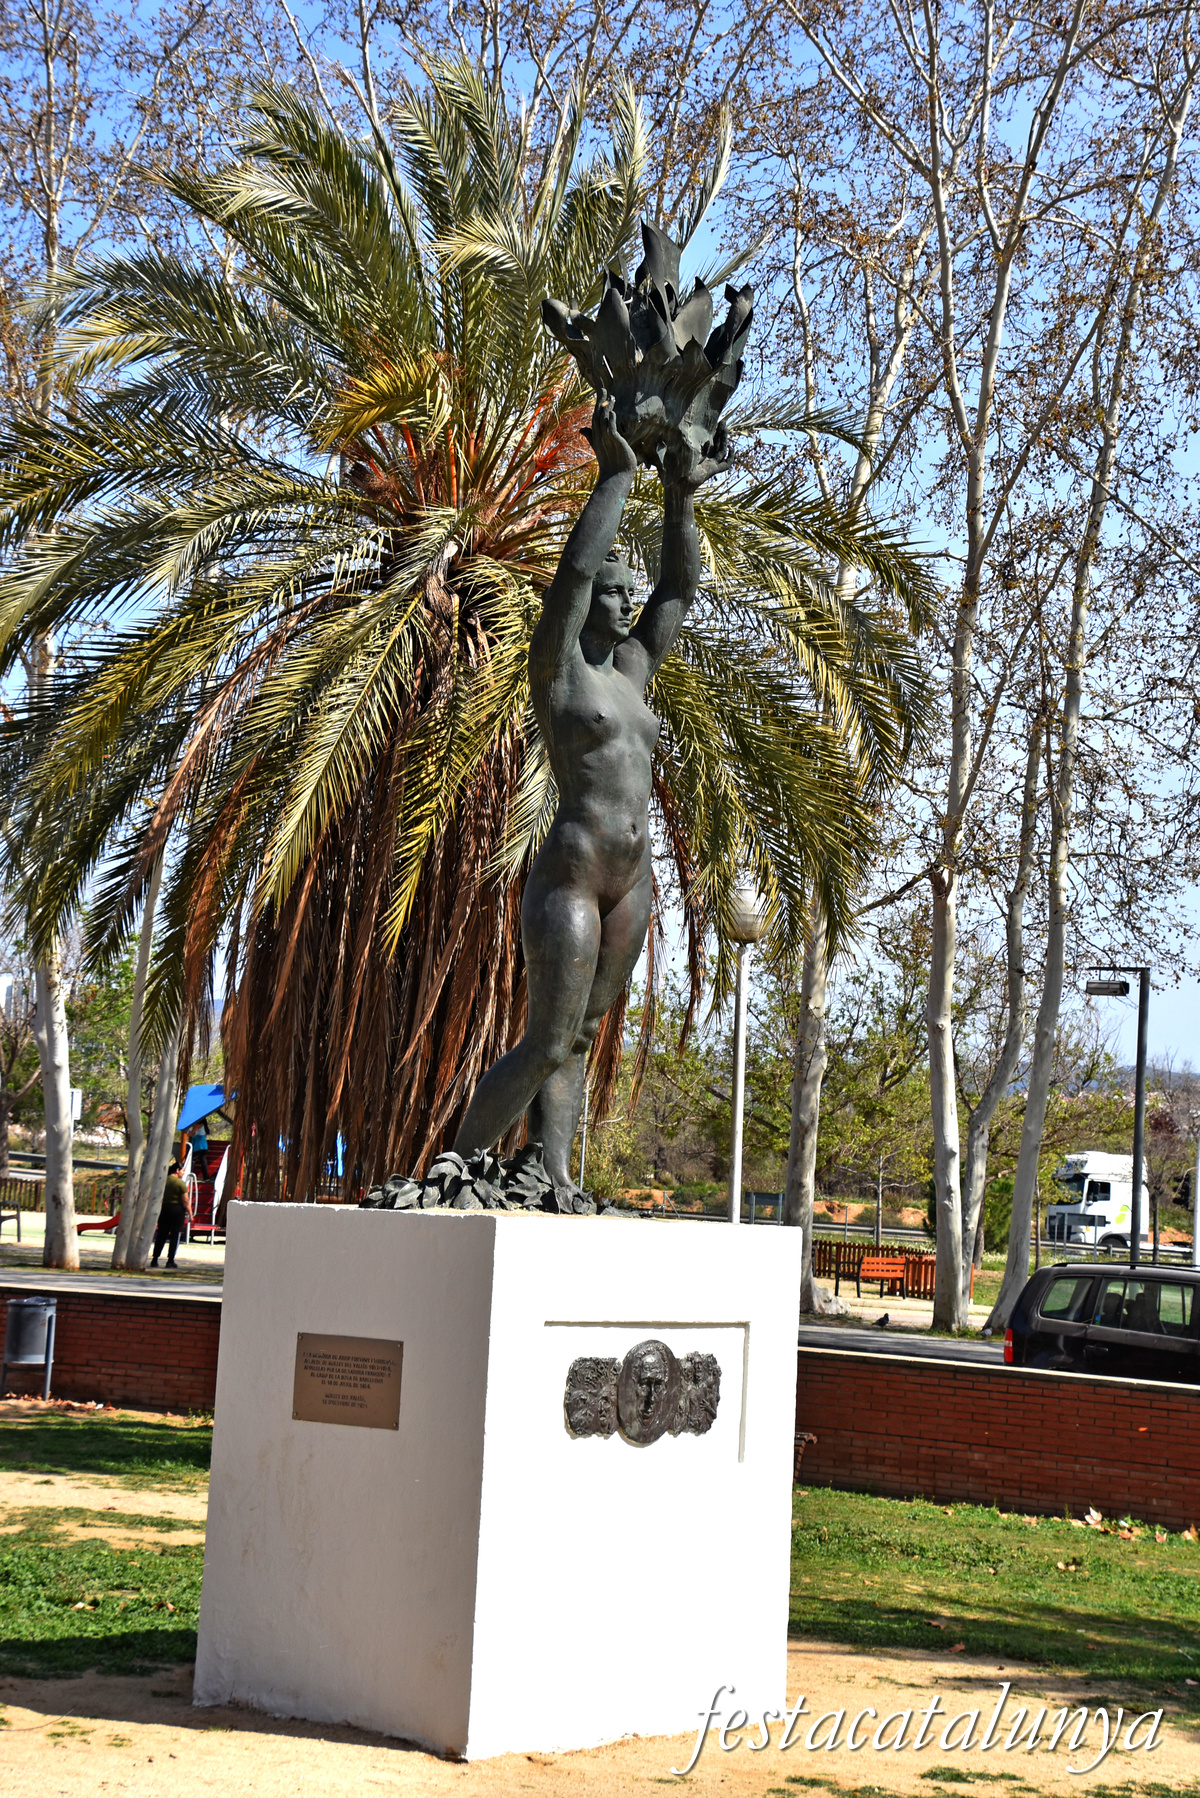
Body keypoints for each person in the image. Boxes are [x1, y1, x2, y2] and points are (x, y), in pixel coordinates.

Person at [454, 394, 723, 1195]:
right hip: (572, 873)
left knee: (582, 1037)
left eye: (624, 592)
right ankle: (456, 1164)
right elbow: (573, 574)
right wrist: (616, 474)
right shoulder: (561, 670)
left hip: (631, 881)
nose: (625, 600)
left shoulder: (633, 674)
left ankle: (554, 1174)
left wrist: (682, 490)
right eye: (615, 591)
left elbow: (678, 588)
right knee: (547, 1037)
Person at [151, 1158, 189, 1270]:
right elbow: (185, 1200)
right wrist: (190, 1213)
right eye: (182, 1171)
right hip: (177, 1210)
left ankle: (155, 1259)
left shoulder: (163, 1181)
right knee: (175, 1235)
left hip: (164, 1209)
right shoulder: (180, 1184)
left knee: (161, 1234)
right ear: (177, 1170)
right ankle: (170, 1260)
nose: (183, 1173)